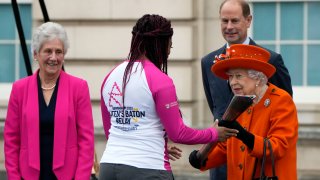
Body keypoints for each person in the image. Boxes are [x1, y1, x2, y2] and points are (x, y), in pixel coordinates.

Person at [99, 14, 238, 180]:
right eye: (169, 46)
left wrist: (158, 143)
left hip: (108, 166)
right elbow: (178, 133)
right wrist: (214, 133)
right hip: (148, 168)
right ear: (159, 44)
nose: (169, 53)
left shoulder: (111, 76)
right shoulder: (159, 79)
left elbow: (111, 131)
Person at [201, 0, 293, 179]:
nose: (229, 27)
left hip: (258, 160)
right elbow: (216, 108)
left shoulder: (271, 60)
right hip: (221, 161)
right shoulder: (208, 62)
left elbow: (284, 106)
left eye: (234, 21)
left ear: (248, 20)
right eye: (224, 21)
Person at [189, 44, 298, 179]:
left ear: (257, 77)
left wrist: (244, 136)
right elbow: (226, 148)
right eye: (230, 76)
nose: (232, 82)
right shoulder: (238, 103)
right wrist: (202, 157)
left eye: (238, 76)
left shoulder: (281, 100)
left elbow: (279, 147)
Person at [4, 22, 94, 180]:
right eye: (48, 51)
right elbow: (11, 140)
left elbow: (86, 142)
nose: (54, 57)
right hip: (28, 175)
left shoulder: (78, 87)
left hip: (68, 176)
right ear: (35, 54)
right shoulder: (19, 89)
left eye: (59, 51)